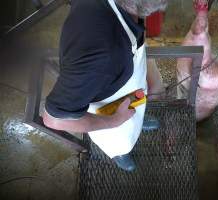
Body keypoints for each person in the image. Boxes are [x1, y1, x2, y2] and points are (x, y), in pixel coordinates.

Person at [43, 0, 167, 172]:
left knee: (136, 110)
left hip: (128, 90)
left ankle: (138, 120)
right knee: (121, 141)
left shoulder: (122, 13)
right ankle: (120, 154)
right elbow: (54, 119)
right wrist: (115, 120)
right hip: (109, 114)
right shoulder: (100, 56)